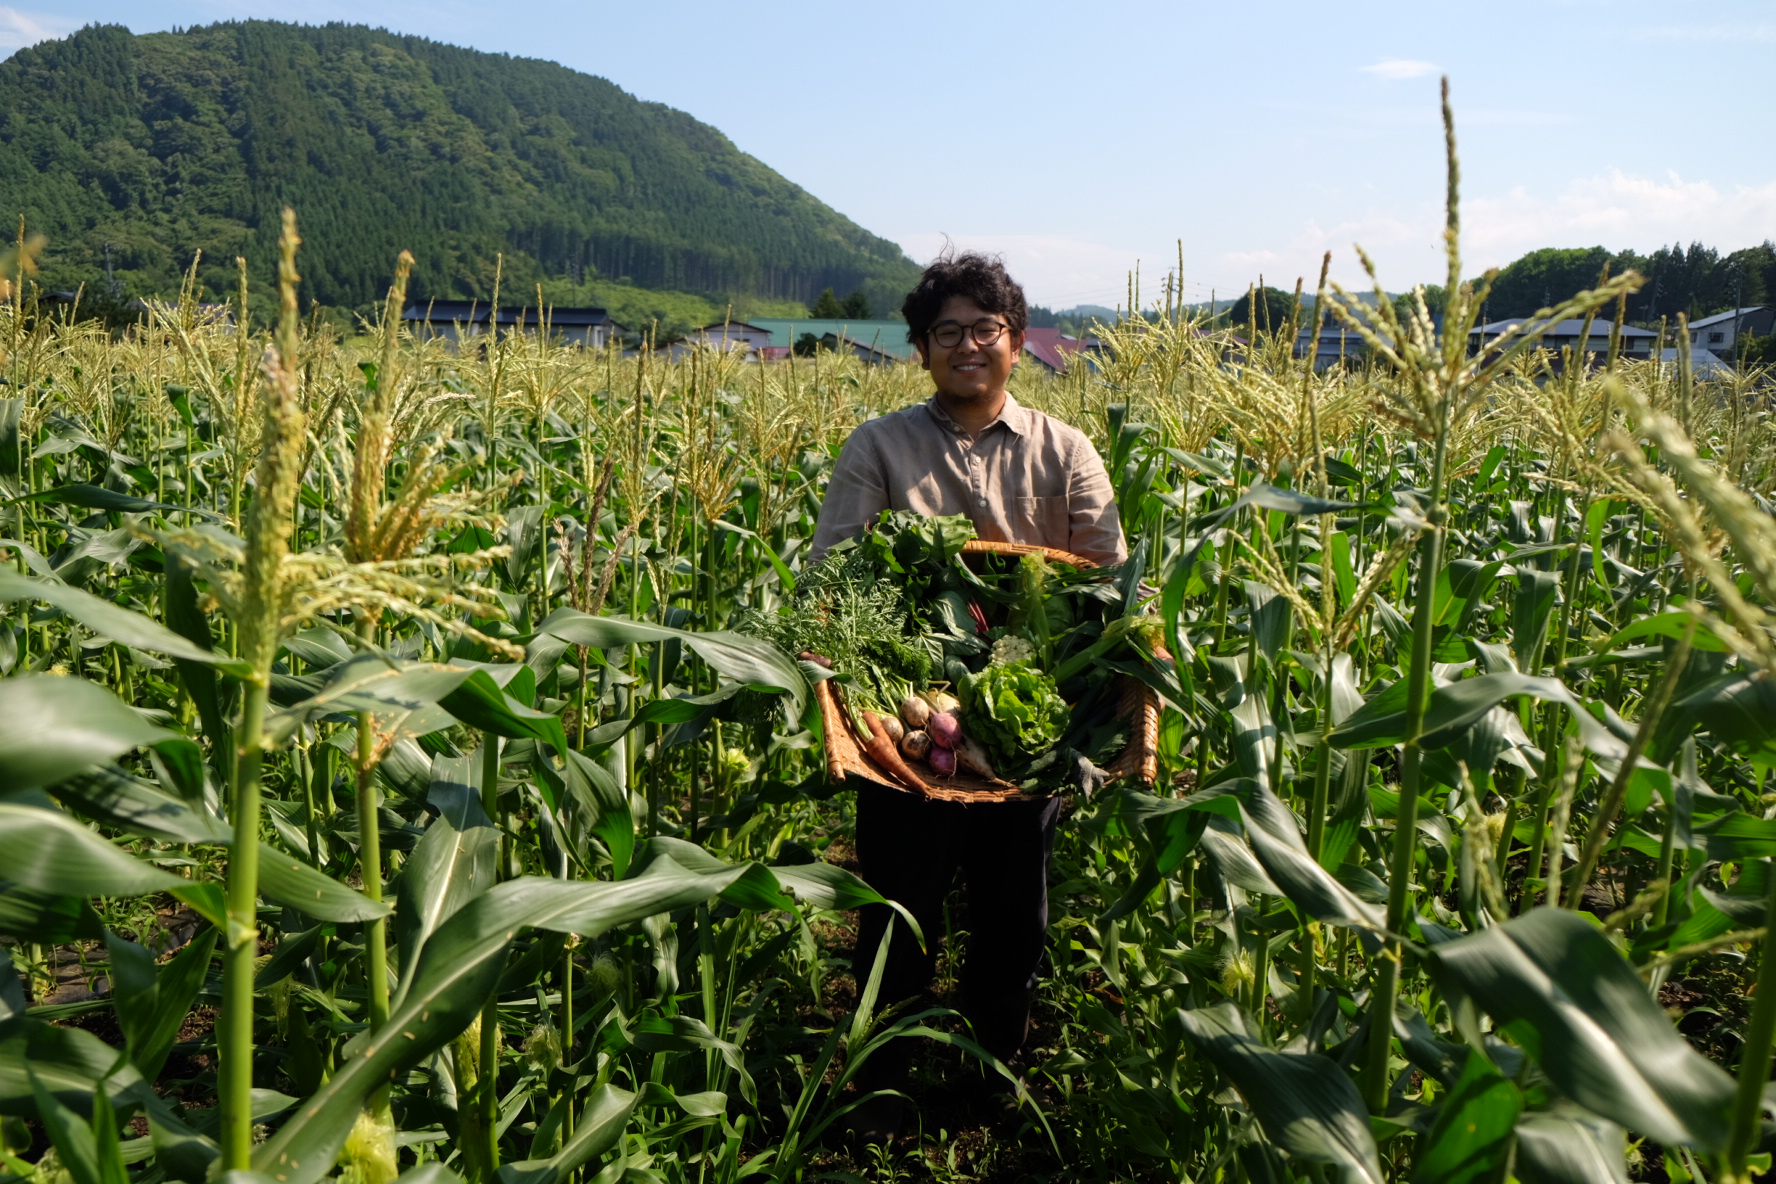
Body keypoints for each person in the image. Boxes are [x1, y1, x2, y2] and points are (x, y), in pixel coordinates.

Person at [808, 252, 1126, 1141]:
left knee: (1011, 925)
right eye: (946, 331)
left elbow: (1109, 586)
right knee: (896, 918)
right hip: (909, 726)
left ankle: (993, 1088)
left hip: (1028, 744)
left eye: (985, 329)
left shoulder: (1068, 452)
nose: (968, 346)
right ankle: (882, 1088)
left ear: (1017, 344)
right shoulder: (878, 447)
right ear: (920, 349)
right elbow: (833, 575)